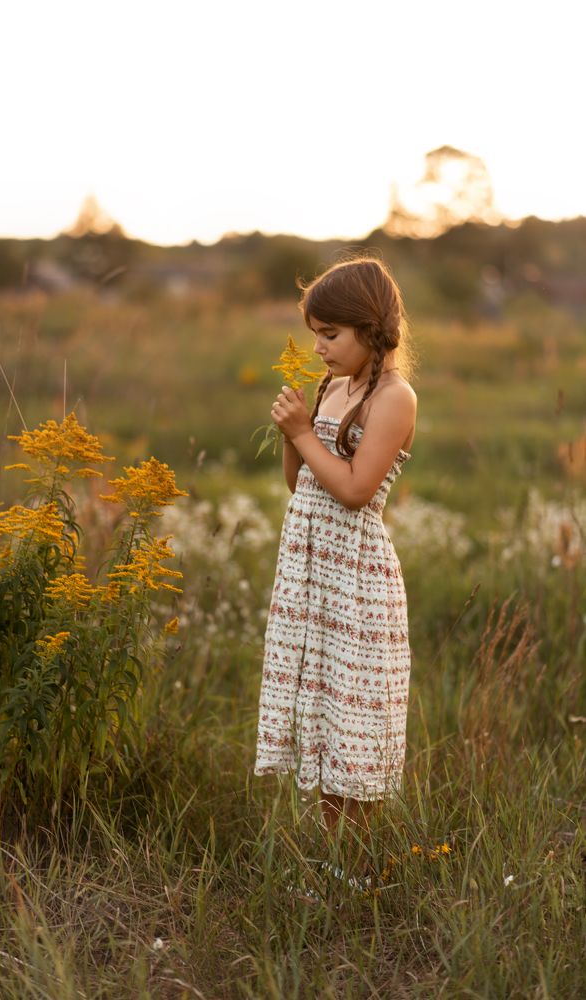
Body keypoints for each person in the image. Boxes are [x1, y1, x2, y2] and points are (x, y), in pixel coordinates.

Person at [253, 255, 417, 884]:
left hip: (356, 577)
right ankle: (333, 864)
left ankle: (358, 867)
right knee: (321, 710)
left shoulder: (394, 398)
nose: (318, 347)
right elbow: (300, 485)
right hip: (311, 572)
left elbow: (353, 490)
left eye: (330, 334)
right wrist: (292, 433)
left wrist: (305, 432)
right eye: (315, 333)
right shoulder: (334, 389)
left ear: (369, 331)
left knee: (355, 715)